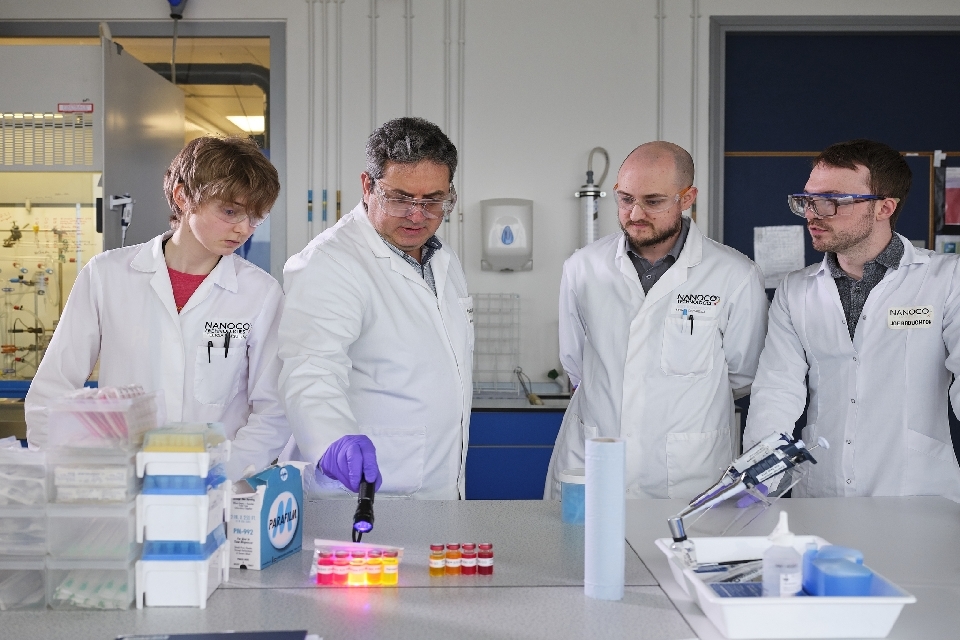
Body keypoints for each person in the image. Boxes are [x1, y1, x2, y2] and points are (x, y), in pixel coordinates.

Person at [25, 136, 290, 480]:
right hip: (122, 483)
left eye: (256, 217)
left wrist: (222, 473)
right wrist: (60, 474)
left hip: (216, 487)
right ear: (183, 197)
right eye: (230, 211)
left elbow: (273, 410)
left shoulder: (260, 293)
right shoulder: (107, 275)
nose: (243, 229)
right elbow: (52, 389)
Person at [544, 141, 768, 500]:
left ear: (687, 197)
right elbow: (576, 362)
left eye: (653, 201)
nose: (635, 214)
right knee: (585, 537)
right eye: (625, 199)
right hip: (596, 460)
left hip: (689, 472)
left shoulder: (735, 275)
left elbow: (743, 374)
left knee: (682, 538)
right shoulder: (583, 267)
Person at [744, 139, 960, 502]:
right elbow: (777, 389)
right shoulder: (796, 289)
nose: (812, 213)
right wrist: (759, 481)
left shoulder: (947, 279)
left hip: (917, 490)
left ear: (884, 208)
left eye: (832, 201)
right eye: (808, 200)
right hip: (822, 490)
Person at [278, 117, 473, 499]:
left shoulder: (443, 259)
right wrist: (332, 441)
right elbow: (310, 369)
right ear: (367, 186)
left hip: (438, 490)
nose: (417, 215)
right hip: (360, 493)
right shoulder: (330, 262)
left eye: (433, 201)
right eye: (400, 199)